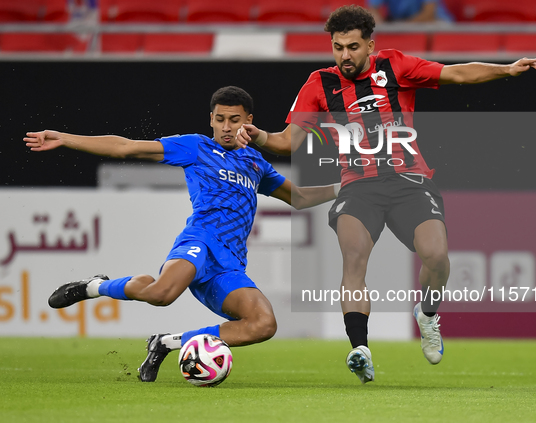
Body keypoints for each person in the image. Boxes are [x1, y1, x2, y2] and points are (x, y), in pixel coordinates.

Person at [236, 5, 536, 384]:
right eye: (337, 47)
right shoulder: (319, 83)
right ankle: (359, 349)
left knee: (438, 257)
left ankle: (428, 313)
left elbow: (457, 73)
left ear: (370, 44)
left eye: (352, 46)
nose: (345, 55)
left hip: (409, 181)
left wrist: (506, 69)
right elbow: (287, 142)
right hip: (357, 185)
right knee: (354, 257)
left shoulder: (396, 66)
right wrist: (261, 136)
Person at [23, 86, 339, 382]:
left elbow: (299, 197)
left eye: (235, 120)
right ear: (211, 121)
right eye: (220, 119)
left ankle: (166, 342)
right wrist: (65, 138)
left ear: (249, 121)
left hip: (229, 266)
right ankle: (95, 287)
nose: (227, 127)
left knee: (263, 324)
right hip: (199, 242)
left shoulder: (256, 163)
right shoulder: (195, 147)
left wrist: (345, 186)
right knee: (162, 294)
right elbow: (126, 147)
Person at [367, 0, 454, 24]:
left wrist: (403, 26)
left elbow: (428, 14)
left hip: (435, 22)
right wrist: (380, 24)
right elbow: (373, 10)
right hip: (399, 23)